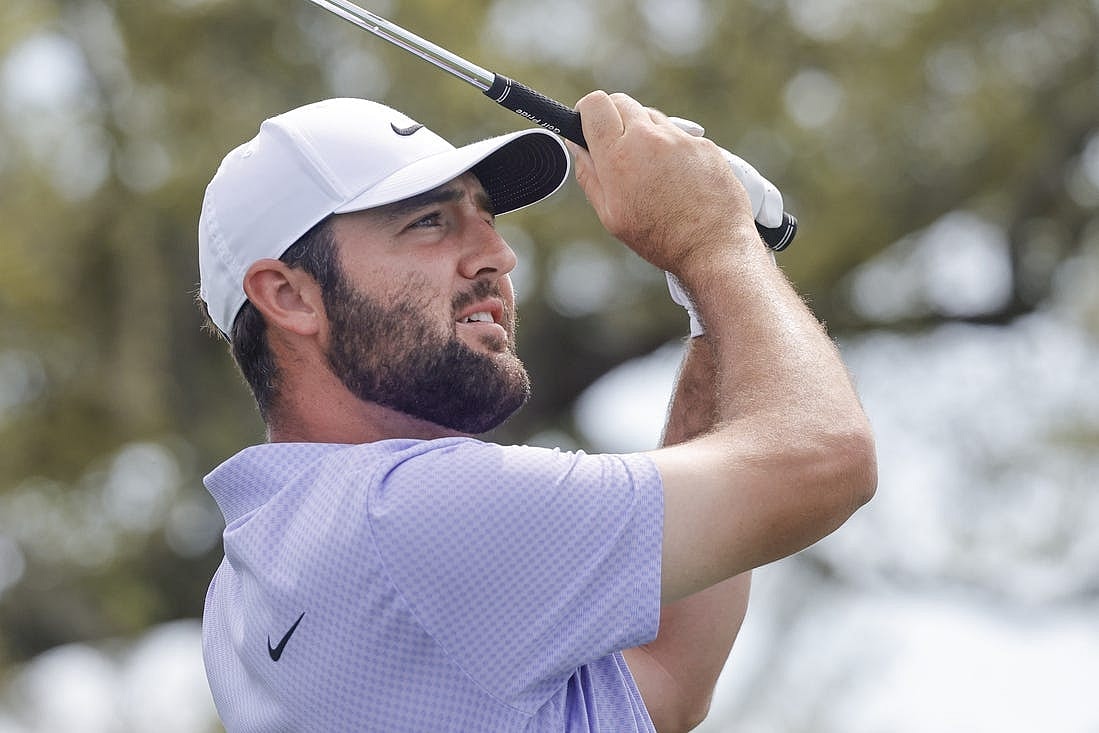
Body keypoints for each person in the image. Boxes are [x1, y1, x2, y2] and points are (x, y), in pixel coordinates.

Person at [196, 92, 876, 732]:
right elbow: (824, 458)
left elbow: (667, 675)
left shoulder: (242, 587)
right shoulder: (407, 512)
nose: (496, 255)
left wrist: (709, 300)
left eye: (485, 218)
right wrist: (714, 239)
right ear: (288, 297)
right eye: (428, 222)